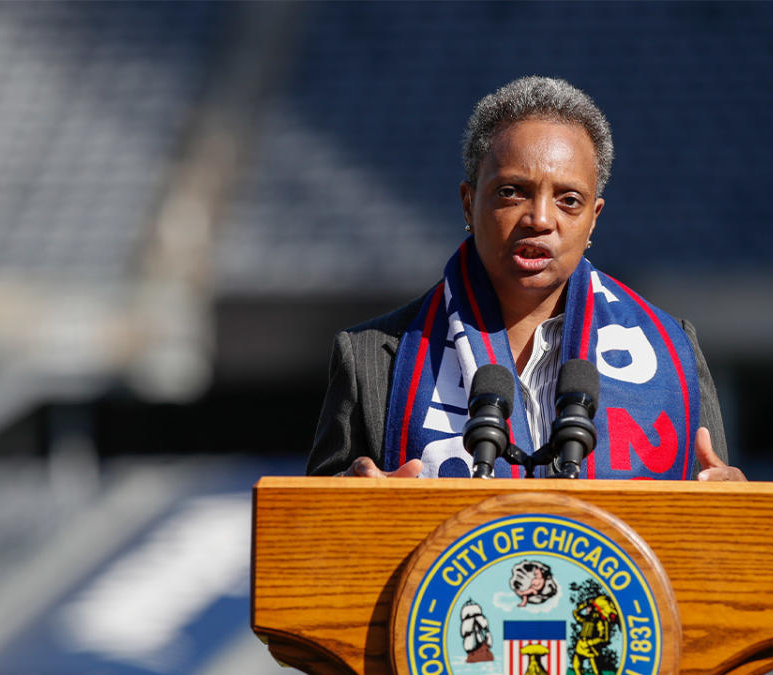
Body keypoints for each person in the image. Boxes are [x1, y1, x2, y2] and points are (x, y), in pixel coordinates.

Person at [307, 76, 744, 482]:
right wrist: (346, 505)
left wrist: (743, 512)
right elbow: (302, 544)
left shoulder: (674, 350)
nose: (539, 219)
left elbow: (722, 538)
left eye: (569, 200)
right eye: (512, 192)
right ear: (468, 203)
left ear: (594, 220)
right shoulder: (374, 357)